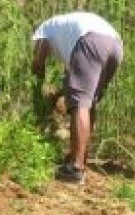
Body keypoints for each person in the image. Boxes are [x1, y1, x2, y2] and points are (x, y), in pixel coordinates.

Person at [32, 11, 123, 185]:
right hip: (115, 45)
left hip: (91, 40)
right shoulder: (65, 33)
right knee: (89, 103)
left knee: (80, 104)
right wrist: (58, 94)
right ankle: (80, 157)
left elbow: (38, 63)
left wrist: (37, 90)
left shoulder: (42, 31)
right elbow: (72, 80)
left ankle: (75, 168)